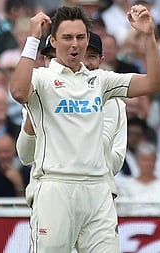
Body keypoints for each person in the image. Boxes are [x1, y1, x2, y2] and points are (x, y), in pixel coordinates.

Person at [10, 4, 160, 253]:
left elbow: (156, 82)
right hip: (56, 187)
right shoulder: (41, 78)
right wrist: (32, 38)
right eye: (67, 37)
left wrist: (148, 35)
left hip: (98, 190)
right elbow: (18, 91)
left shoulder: (101, 80)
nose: (75, 44)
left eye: (80, 37)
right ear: (53, 40)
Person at [18, 30, 128, 199]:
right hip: (51, 194)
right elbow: (25, 156)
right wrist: (37, 113)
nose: (83, 62)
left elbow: (114, 163)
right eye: (53, 57)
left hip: (98, 196)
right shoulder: (35, 94)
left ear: (101, 60)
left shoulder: (115, 103)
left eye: (90, 56)